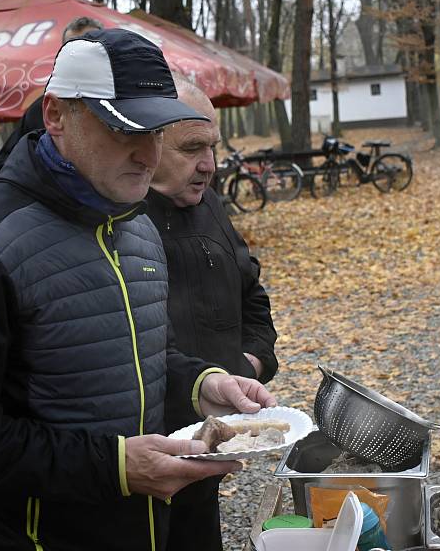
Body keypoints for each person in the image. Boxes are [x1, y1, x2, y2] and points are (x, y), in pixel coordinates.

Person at [0, 28, 277, 551]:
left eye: (156, 132)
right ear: (57, 116)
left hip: (143, 530)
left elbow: (137, 356)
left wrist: (202, 383)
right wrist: (116, 467)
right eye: (126, 131)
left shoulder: (137, 224)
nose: (147, 155)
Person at [146, 79, 279, 551]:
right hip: (146, 454)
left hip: (213, 439)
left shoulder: (210, 205)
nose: (209, 165)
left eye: (213, 147)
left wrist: (249, 366)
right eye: (192, 149)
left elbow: (253, 298)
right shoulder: (123, 220)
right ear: (148, 142)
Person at [0, 16, 104, 174]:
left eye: (88, 49)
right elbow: (4, 164)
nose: (80, 58)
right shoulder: (44, 108)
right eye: (72, 49)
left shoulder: (130, 102)